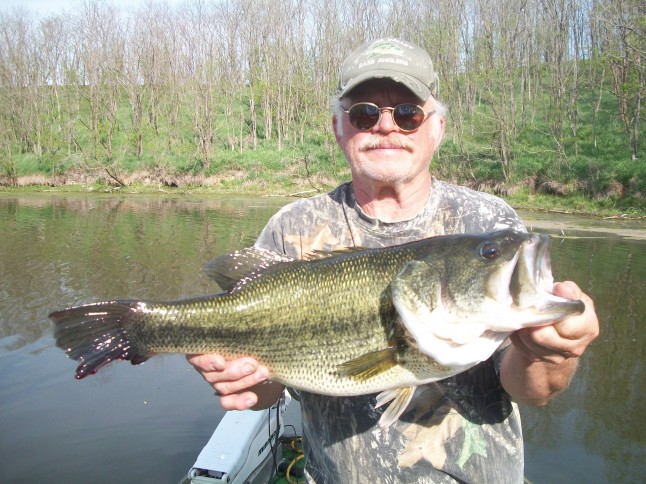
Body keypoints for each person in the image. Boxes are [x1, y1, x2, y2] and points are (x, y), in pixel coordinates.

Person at [188, 38, 599, 483]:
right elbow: (269, 391)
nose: (386, 126)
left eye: (408, 114)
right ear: (338, 128)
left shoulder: (489, 221)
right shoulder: (292, 228)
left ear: (437, 128)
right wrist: (244, 379)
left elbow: (533, 392)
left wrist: (550, 355)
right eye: (364, 114)